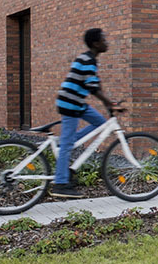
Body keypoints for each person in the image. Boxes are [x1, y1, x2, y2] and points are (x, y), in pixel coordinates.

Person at [52, 28, 122, 198]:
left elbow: (95, 84)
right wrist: (109, 103)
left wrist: (109, 105)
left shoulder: (89, 59)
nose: (107, 42)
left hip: (78, 103)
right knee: (67, 146)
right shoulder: (87, 60)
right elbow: (93, 88)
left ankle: (66, 142)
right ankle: (60, 183)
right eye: (104, 39)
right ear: (96, 43)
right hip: (71, 105)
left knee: (101, 123)